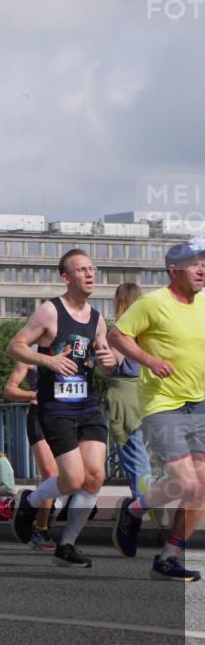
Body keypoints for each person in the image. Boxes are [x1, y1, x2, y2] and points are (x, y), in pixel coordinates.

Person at [7, 249, 116, 567]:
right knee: (70, 479)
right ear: (66, 277)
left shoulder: (97, 319)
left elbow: (105, 360)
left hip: (87, 404)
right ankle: (30, 501)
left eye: (92, 269)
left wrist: (110, 361)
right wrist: (48, 360)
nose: (89, 274)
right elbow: (14, 346)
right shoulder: (50, 312)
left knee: (95, 476)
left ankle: (66, 544)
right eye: (81, 269)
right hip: (55, 407)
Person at [109, 237, 205, 581]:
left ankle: (163, 548)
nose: (202, 269)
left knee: (199, 487)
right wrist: (150, 360)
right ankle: (163, 552)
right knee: (189, 484)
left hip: (201, 404)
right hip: (163, 405)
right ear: (174, 270)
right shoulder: (152, 304)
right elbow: (116, 335)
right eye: (195, 263)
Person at [3, 357, 57, 550]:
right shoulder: (29, 353)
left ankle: (36, 515)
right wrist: (34, 394)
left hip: (66, 416)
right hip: (39, 416)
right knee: (51, 475)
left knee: (69, 477)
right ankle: (41, 528)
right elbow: (9, 389)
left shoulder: (71, 345)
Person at [105, 283, 152, 499]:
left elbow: (114, 363)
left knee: (133, 454)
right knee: (148, 453)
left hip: (125, 396)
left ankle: (143, 505)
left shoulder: (119, 332)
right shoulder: (149, 331)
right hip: (149, 393)